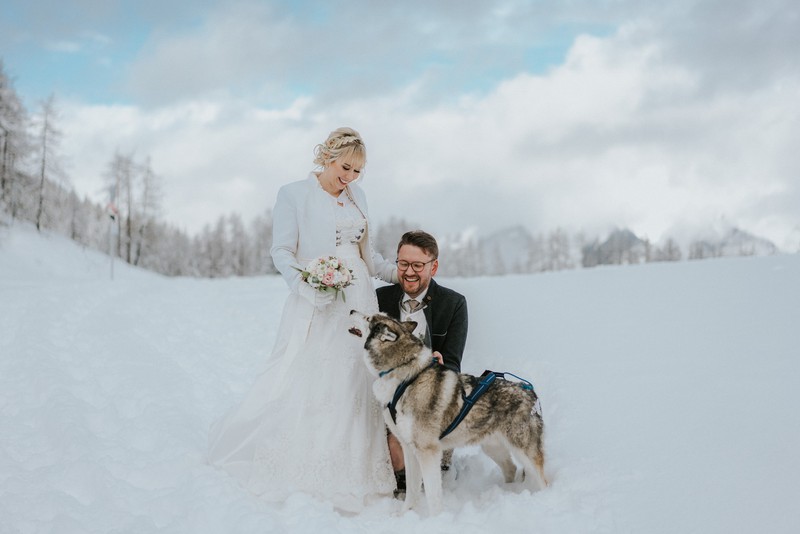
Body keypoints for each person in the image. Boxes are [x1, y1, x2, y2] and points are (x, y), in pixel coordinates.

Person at [207, 127, 398, 511]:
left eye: (358, 171)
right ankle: (305, 466)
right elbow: (281, 251)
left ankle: (359, 468)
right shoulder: (293, 194)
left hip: (359, 296)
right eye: (346, 167)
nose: (351, 178)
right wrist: (307, 283)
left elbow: (367, 253)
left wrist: (402, 274)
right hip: (319, 300)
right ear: (328, 157)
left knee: (355, 379)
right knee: (315, 376)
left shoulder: (357, 196)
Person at [375, 230, 469, 496]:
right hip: (390, 393)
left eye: (418, 265)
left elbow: (452, 363)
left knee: (423, 456)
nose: (409, 272)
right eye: (403, 264)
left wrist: (438, 367)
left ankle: (440, 459)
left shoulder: (453, 304)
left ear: (434, 266)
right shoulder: (380, 299)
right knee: (397, 459)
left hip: (431, 396)